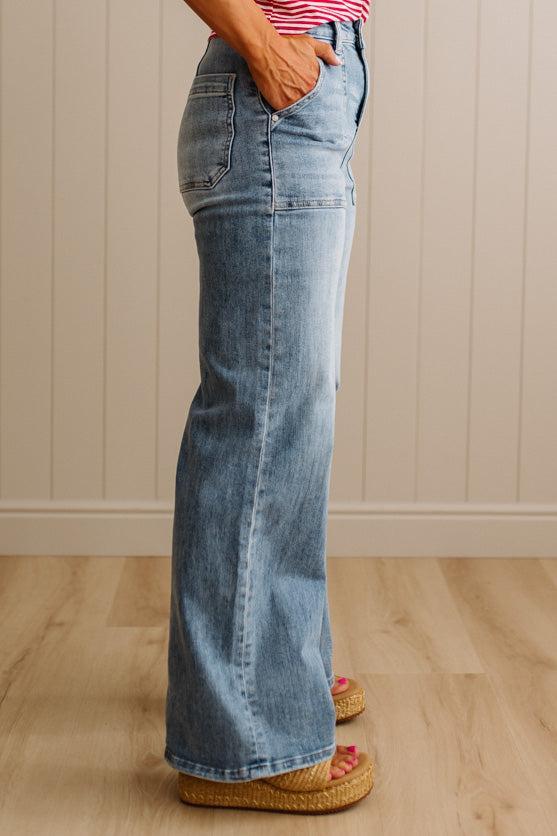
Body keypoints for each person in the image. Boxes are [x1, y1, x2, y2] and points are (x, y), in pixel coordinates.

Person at [164, 0, 373, 814]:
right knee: (262, 429)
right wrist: (262, 45)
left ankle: (272, 676)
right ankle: (244, 742)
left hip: (296, 98)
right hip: (270, 98)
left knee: (286, 420)